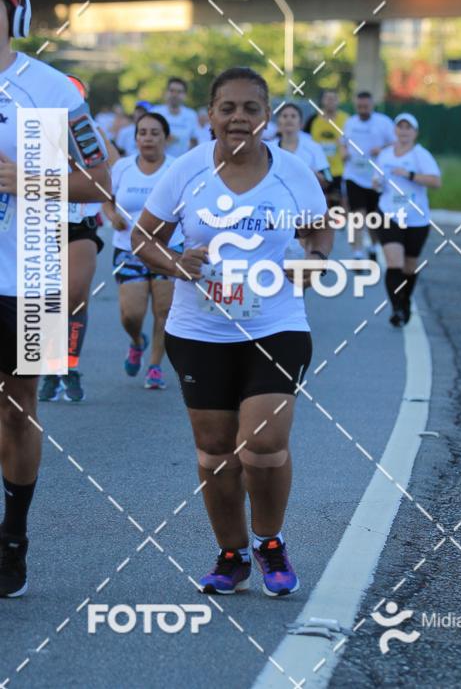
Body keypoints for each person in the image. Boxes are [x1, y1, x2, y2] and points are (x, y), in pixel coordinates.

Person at [133, 66, 332, 597]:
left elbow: (319, 231)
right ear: (210, 116)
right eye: (228, 108)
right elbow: (142, 238)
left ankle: (270, 542)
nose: (239, 118)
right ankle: (232, 553)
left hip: (276, 323)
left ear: (265, 116)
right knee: (216, 451)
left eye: (250, 108)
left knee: (263, 445)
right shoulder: (185, 171)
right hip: (199, 329)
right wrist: (176, 262)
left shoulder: (294, 173)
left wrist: (313, 261)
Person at [0, 0, 110, 597]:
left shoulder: (49, 90)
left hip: (33, 271)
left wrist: (25, 178)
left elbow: (99, 182)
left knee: (18, 411)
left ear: (15, 15)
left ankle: (13, 538)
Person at [39, 75, 120, 404]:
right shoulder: (36, 127)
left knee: (75, 295)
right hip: (40, 224)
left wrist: (94, 137)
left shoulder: (90, 130)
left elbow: (114, 165)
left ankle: (69, 366)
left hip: (80, 223)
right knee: (46, 300)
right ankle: (48, 367)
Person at [104, 112, 183, 390]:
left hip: (167, 248)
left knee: (164, 311)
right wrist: (112, 216)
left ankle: (154, 366)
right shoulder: (123, 168)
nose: (147, 138)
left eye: (154, 133)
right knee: (131, 314)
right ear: (135, 138)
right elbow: (106, 199)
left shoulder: (176, 168)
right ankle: (137, 341)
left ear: (165, 138)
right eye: (142, 133)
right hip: (128, 249)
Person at [374, 113, 441, 327]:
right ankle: (396, 310)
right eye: (400, 127)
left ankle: (405, 301)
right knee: (394, 263)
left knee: (409, 267)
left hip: (416, 218)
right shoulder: (384, 155)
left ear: (415, 133)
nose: (404, 131)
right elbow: (377, 180)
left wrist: (410, 174)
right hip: (389, 214)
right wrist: (376, 183)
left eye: (408, 128)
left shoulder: (421, 155)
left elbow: (436, 181)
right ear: (395, 131)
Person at [342, 92, 395, 260]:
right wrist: (344, 153)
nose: (363, 110)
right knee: (357, 214)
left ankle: (373, 246)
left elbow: (395, 143)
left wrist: (382, 149)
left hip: (376, 177)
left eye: (366, 106)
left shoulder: (384, 122)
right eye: (359, 107)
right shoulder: (350, 123)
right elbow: (343, 142)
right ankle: (357, 252)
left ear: (372, 105)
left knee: (373, 217)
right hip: (353, 175)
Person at [273, 102, 332, 187]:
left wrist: (307, 172)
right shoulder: (269, 149)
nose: (289, 119)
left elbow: (328, 178)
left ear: (301, 123)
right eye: (284, 116)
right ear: (278, 123)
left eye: (293, 116)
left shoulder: (314, 147)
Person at [305, 89, 348, 206]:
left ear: (338, 101)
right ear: (322, 101)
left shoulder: (346, 120)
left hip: (338, 170)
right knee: (317, 204)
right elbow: (304, 142)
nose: (330, 101)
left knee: (336, 205)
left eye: (333, 98)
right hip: (318, 170)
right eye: (328, 98)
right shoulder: (312, 120)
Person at [152, 77, 198, 157]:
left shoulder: (191, 115)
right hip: (159, 163)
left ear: (185, 95)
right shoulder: (155, 112)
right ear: (166, 92)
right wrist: (164, 141)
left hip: (182, 164)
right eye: (171, 90)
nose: (175, 95)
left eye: (179, 92)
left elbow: (194, 140)